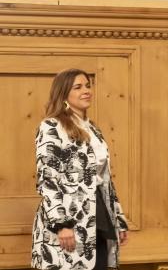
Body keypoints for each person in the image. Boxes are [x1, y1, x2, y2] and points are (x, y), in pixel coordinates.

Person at [31, 69, 129, 270]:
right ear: (64, 93)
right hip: (68, 222)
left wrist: (118, 219)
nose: (86, 91)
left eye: (88, 86)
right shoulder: (51, 126)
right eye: (78, 87)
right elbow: (47, 178)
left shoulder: (92, 129)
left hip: (99, 217)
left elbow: (104, 179)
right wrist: (61, 224)